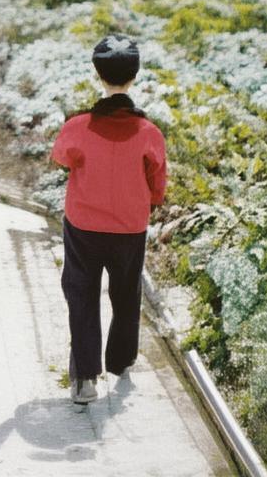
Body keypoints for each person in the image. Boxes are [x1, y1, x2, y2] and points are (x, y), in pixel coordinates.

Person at [50, 34, 167, 405]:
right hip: (130, 227)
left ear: (98, 74)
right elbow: (158, 185)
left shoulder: (77, 126)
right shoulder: (150, 132)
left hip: (83, 224)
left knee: (82, 294)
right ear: (134, 76)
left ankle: (85, 379)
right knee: (125, 293)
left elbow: (61, 158)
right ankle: (121, 361)